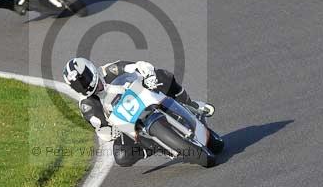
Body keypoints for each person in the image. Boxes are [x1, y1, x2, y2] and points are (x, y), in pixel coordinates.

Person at [63, 58, 216, 166]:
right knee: (121, 156)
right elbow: (101, 129)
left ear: (91, 69)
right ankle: (153, 146)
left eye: (84, 79)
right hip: (128, 123)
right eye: (78, 85)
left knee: (163, 76)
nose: (85, 85)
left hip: (144, 96)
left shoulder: (109, 69)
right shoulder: (87, 105)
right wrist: (110, 131)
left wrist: (147, 74)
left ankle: (190, 103)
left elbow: (136, 66)